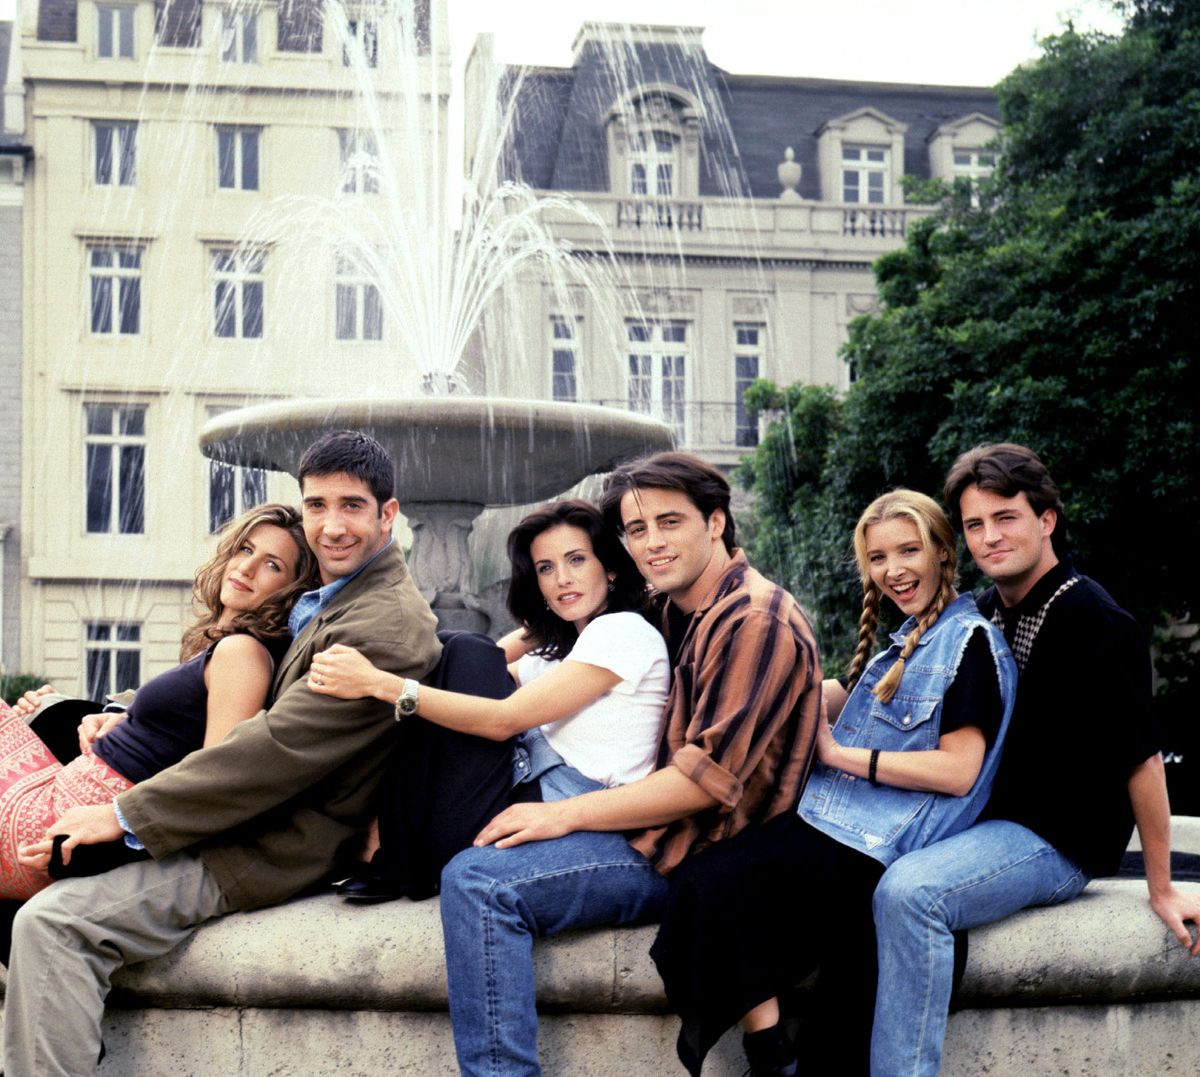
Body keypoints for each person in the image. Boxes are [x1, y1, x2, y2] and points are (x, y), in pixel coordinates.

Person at [3, 429, 442, 1076]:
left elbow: (271, 749)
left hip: (264, 848)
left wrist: (120, 815)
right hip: (245, 823)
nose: (331, 525)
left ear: (389, 514)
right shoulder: (339, 599)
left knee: (52, 924)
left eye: (351, 505)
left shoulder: (382, 622)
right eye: (317, 504)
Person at [433, 451, 823, 1077]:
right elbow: (576, 613)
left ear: (716, 521)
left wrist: (561, 816)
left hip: (688, 851)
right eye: (637, 530)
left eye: (670, 522)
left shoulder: (753, 619)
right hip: (653, 829)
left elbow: (700, 788)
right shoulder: (678, 604)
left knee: (481, 883)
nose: (652, 543)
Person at [652, 489, 1017, 1077]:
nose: (894, 571)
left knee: (709, 884)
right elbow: (866, 705)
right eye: (878, 558)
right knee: (705, 870)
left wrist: (841, 755)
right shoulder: (903, 642)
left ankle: (770, 1057)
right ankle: (774, 1050)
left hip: (879, 846)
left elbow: (958, 770)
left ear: (943, 554)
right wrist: (791, 690)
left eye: (909, 551)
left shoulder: (969, 643)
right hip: (843, 824)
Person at [870, 443, 1200, 1077]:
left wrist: (1160, 887)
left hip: (1056, 840)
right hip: (987, 821)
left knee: (911, 894)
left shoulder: (1097, 622)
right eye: (974, 525)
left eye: (1006, 517)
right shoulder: (989, 611)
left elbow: (1144, 762)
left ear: (1046, 519)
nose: (990, 538)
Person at [306, 498, 670, 893]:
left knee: (462, 647)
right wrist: (545, 623)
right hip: (514, 799)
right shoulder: (563, 652)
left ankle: (390, 847)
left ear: (610, 567)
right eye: (545, 569)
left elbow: (502, 719)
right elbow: (482, 672)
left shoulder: (623, 631)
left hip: (560, 806)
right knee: (454, 651)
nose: (562, 578)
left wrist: (380, 683)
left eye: (577, 560)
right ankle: (392, 847)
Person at [0, 503, 319, 900]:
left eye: (273, 565)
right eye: (245, 549)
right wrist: (120, 715)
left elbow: (217, 777)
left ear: (292, 592)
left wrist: (112, 842)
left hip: (60, 822)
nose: (248, 568)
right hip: (60, 811)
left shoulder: (242, 653)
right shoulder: (221, 647)